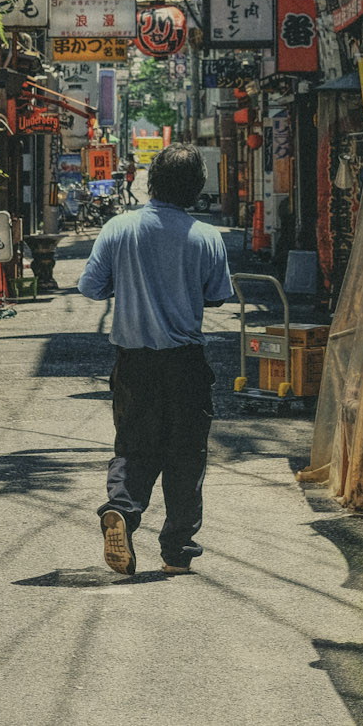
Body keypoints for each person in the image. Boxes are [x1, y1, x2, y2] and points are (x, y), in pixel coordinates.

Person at [77, 143, 231, 576]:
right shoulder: (206, 237)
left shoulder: (118, 228)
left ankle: (122, 511)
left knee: (133, 447)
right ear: (197, 188)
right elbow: (219, 295)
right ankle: (176, 552)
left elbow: (91, 287)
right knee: (186, 456)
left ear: (152, 181)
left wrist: (126, 285)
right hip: (186, 363)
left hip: (134, 363)